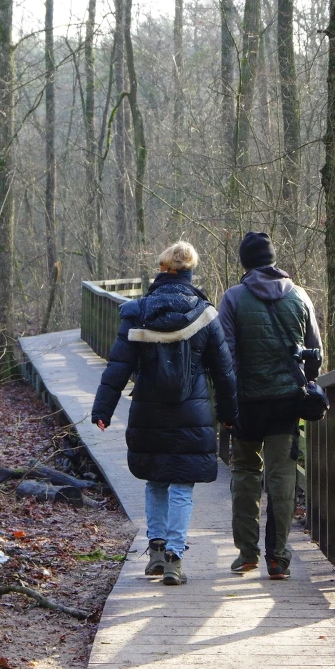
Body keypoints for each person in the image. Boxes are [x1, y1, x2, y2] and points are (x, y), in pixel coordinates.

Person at [90, 241, 238, 585]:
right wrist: (229, 413)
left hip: (149, 410)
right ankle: (174, 558)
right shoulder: (205, 314)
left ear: (161, 269)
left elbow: (118, 366)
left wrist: (103, 409)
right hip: (192, 412)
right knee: (182, 486)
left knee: (156, 480)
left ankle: (156, 551)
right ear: (190, 272)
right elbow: (224, 371)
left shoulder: (137, 312)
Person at [217, 231, 323, 580]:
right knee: (282, 476)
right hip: (286, 402)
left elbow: (226, 355)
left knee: (246, 473)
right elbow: (316, 352)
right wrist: (307, 383)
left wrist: (227, 403)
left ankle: (247, 553)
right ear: (273, 260)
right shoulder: (300, 296)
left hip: (247, 403)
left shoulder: (233, 298)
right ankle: (278, 558)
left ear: (245, 263)